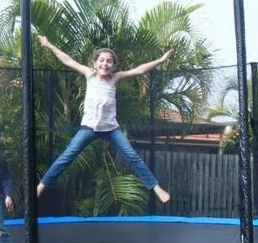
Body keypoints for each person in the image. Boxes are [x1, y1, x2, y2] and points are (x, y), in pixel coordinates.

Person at [36, 35, 172, 203]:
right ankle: (41, 186)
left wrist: (161, 59)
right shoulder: (89, 74)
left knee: (132, 156)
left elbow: (140, 70)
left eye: (109, 61)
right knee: (67, 156)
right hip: (88, 128)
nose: (105, 64)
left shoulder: (115, 78)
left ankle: (156, 187)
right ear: (95, 63)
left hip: (111, 129)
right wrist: (48, 44)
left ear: (113, 66)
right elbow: (67, 60)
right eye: (101, 60)